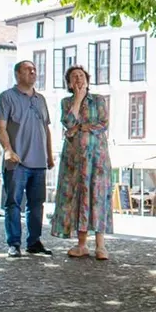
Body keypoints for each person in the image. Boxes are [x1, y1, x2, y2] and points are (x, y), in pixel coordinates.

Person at [51, 65, 113, 260]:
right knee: (78, 197)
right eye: (73, 77)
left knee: (98, 196)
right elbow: (68, 122)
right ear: (69, 84)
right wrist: (77, 101)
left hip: (97, 158)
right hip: (74, 160)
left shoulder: (99, 100)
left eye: (81, 76)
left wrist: (80, 127)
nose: (78, 79)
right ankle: (81, 244)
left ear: (87, 79)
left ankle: (101, 246)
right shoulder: (66, 102)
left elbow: (103, 123)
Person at [0, 60, 55, 258]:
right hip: (17, 161)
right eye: (28, 70)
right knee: (13, 202)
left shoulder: (40, 99)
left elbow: (46, 128)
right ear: (18, 74)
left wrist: (49, 153)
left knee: (37, 204)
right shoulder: (6, 97)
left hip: (39, 161)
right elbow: (1, 127)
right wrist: (8, 150)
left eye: (34, 70)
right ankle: (13, 243)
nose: (33, 72)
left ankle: (34, 241)